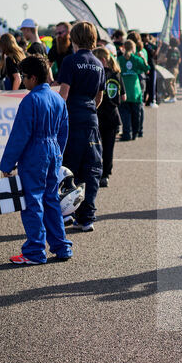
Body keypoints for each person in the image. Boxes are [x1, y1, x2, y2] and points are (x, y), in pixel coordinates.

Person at [0, 55, 73, 265]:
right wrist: (58, 155)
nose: (22, 81)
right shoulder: (58, 99)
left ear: (33, 77)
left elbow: (19, 136)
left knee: (33, 202)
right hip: (53, 151)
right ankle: (61, 247)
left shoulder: (30, 100)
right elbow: (63, 132)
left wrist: (7, 164)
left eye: (24, 76)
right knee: (51, 200)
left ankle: (34, 251)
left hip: (35, 153)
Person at [57, 21, 105, 232]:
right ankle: (87, 217)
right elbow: (99, 97)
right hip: (91, 119)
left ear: (73, 39)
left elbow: (64, 94)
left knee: (69, 168)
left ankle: (65, 214)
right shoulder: (99, 63)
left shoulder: (70, 61)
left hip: (72, 118)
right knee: (92, 169)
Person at [92, 47, 124, 188]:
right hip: (113, 115)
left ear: (102, 60)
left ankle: (97, 173)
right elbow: (123, 96)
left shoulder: (98, 74)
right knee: (109, 147)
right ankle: (106, 174)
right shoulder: (117, 74)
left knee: (97, 147)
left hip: (100, 115)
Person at [117, 39, 148, 138]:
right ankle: (135, 133)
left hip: (124, 90)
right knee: (136, 113)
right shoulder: (136, 59)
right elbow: (146, 69)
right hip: (135, 91)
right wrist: (143, 58)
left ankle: (127, 133)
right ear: (133, 48)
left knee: (125, 114)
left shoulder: (120, 59)